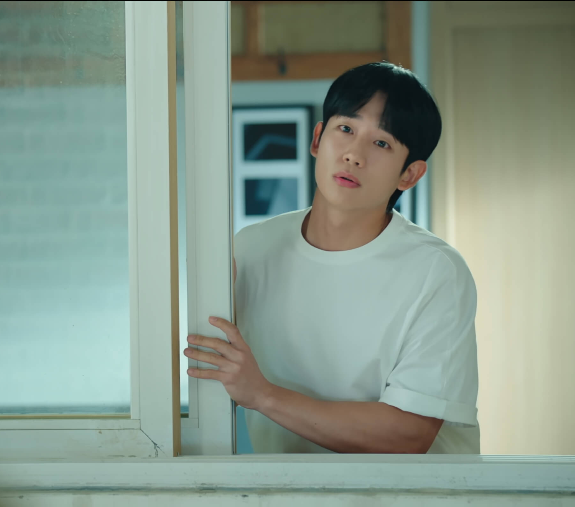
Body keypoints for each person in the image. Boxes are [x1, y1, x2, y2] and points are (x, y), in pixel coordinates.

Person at [185, 62, 480, 454]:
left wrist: (263, 395)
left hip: (413, 489)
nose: (354, 155)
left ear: (409, 174)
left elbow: (409, 433)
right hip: (287, 485)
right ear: (317, 139)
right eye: (346, 129)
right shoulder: (250, 249)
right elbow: (198, 361)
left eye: (381, 144)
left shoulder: (437, 272)